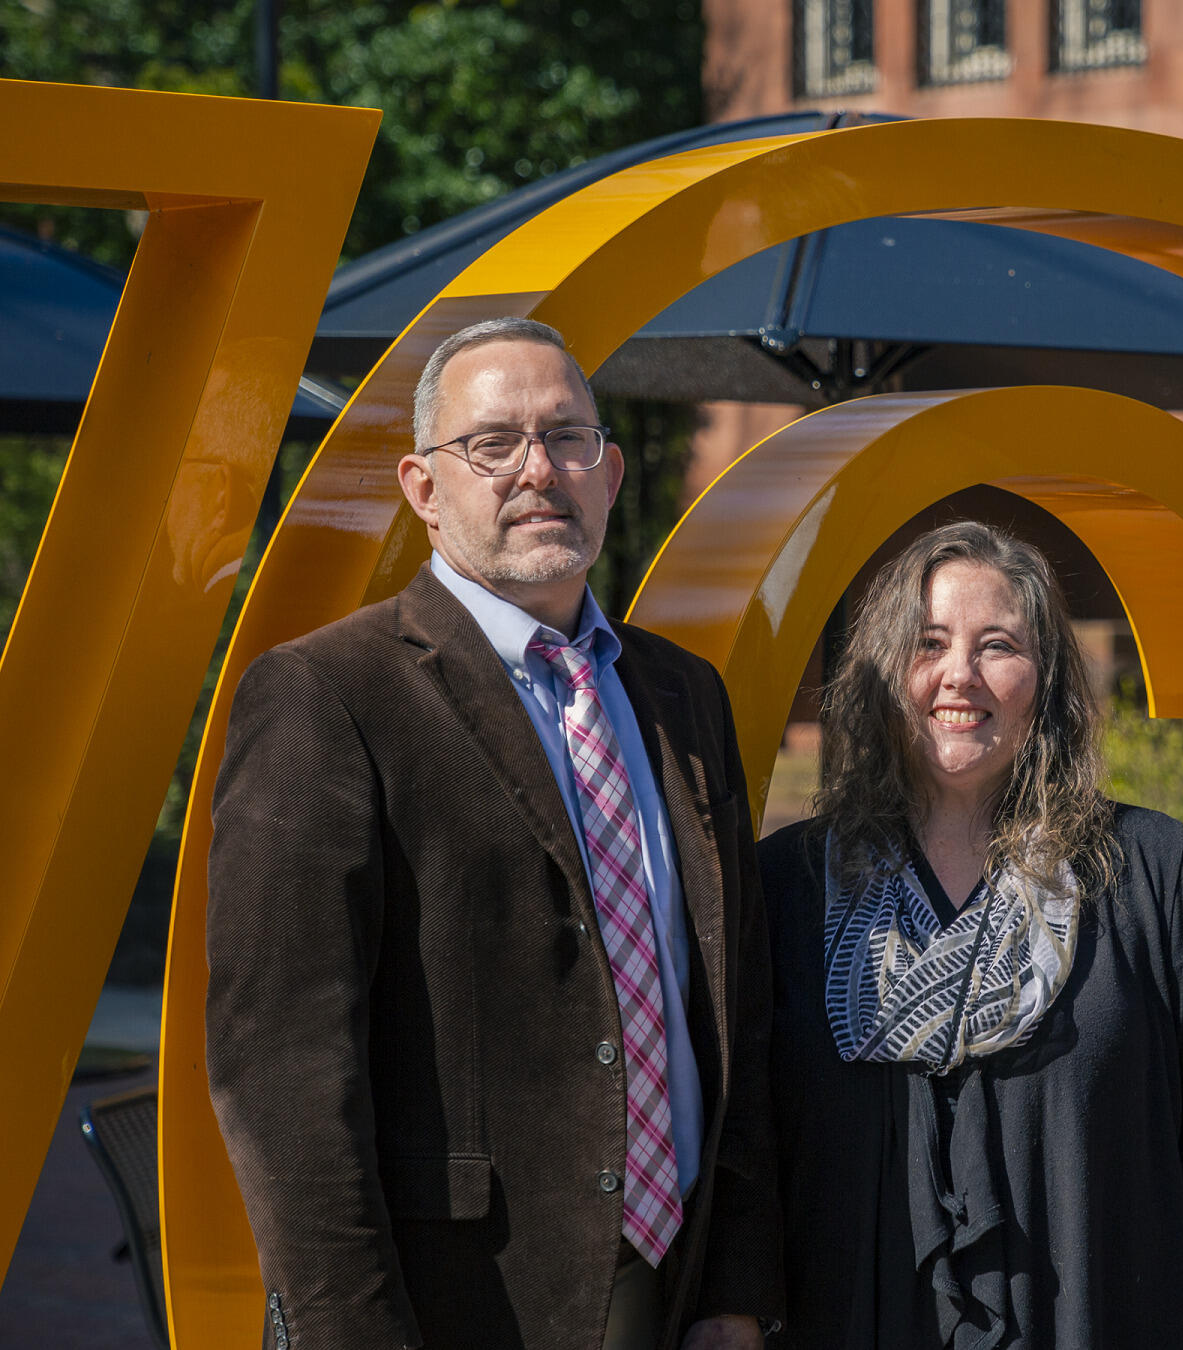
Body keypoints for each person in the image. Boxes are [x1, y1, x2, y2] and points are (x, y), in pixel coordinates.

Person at [207, 318, 780, 1350]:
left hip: (671, 1287)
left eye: (566, 437)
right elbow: (279, 1072)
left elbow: (738, 1009)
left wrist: (735, 1293)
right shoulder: (325, 696)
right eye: (492, 443)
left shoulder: (684, 699)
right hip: (457, 1303)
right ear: (423, 489)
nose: (536, 469)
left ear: (607, 473)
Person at [761, 521, 1183, 1349]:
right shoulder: (788, 891)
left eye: (997, 645)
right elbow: (744, 1160)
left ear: (1044, 681)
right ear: (877, 673)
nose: (958, 677)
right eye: (927, 642)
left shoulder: (1147, 871)